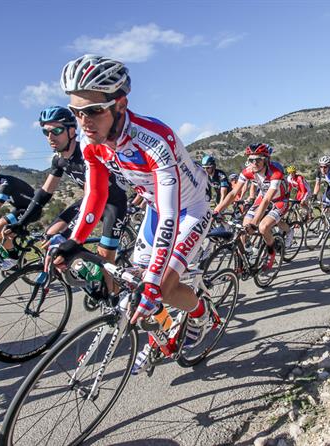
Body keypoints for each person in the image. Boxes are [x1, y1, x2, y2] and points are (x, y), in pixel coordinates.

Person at [55, 55, 213, 371]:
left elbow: (171, 213)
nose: (83, 122)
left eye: (92, 111)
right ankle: (162, 336)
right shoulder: (91, 142)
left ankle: (202, 314)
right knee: (135, 284)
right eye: (76, 113)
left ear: (120, 105)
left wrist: (155, 281)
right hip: (158, 209)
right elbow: (96, 194)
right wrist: (74, 241)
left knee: (162, 287)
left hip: (188, 210)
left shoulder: (154, 139)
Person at [8, 105, 129, 292]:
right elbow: (44, 193)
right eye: (46, 132)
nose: (50, 137)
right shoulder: (59, 159)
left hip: (112, 203)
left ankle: (114, 298)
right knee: (51, 234)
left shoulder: (86, 152)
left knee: (105, 259)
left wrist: (71, 237)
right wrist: (21, 222)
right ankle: (85, 271)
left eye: (56, 130)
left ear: (72, 131)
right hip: (89, 202)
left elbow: (93, 194)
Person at [214, 143, 291, 268]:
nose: (254, 163)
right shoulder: (248, 171)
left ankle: (271, 252)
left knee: (263, 227)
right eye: (251, 160)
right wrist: (217, 210)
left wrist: (254, 223)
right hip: (263, 197)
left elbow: (267, 199)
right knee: (244, 228)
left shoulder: (275, 173)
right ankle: (247, 256)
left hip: (279, 200)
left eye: (258, 160)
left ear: (265, 160)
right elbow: (233, 193)